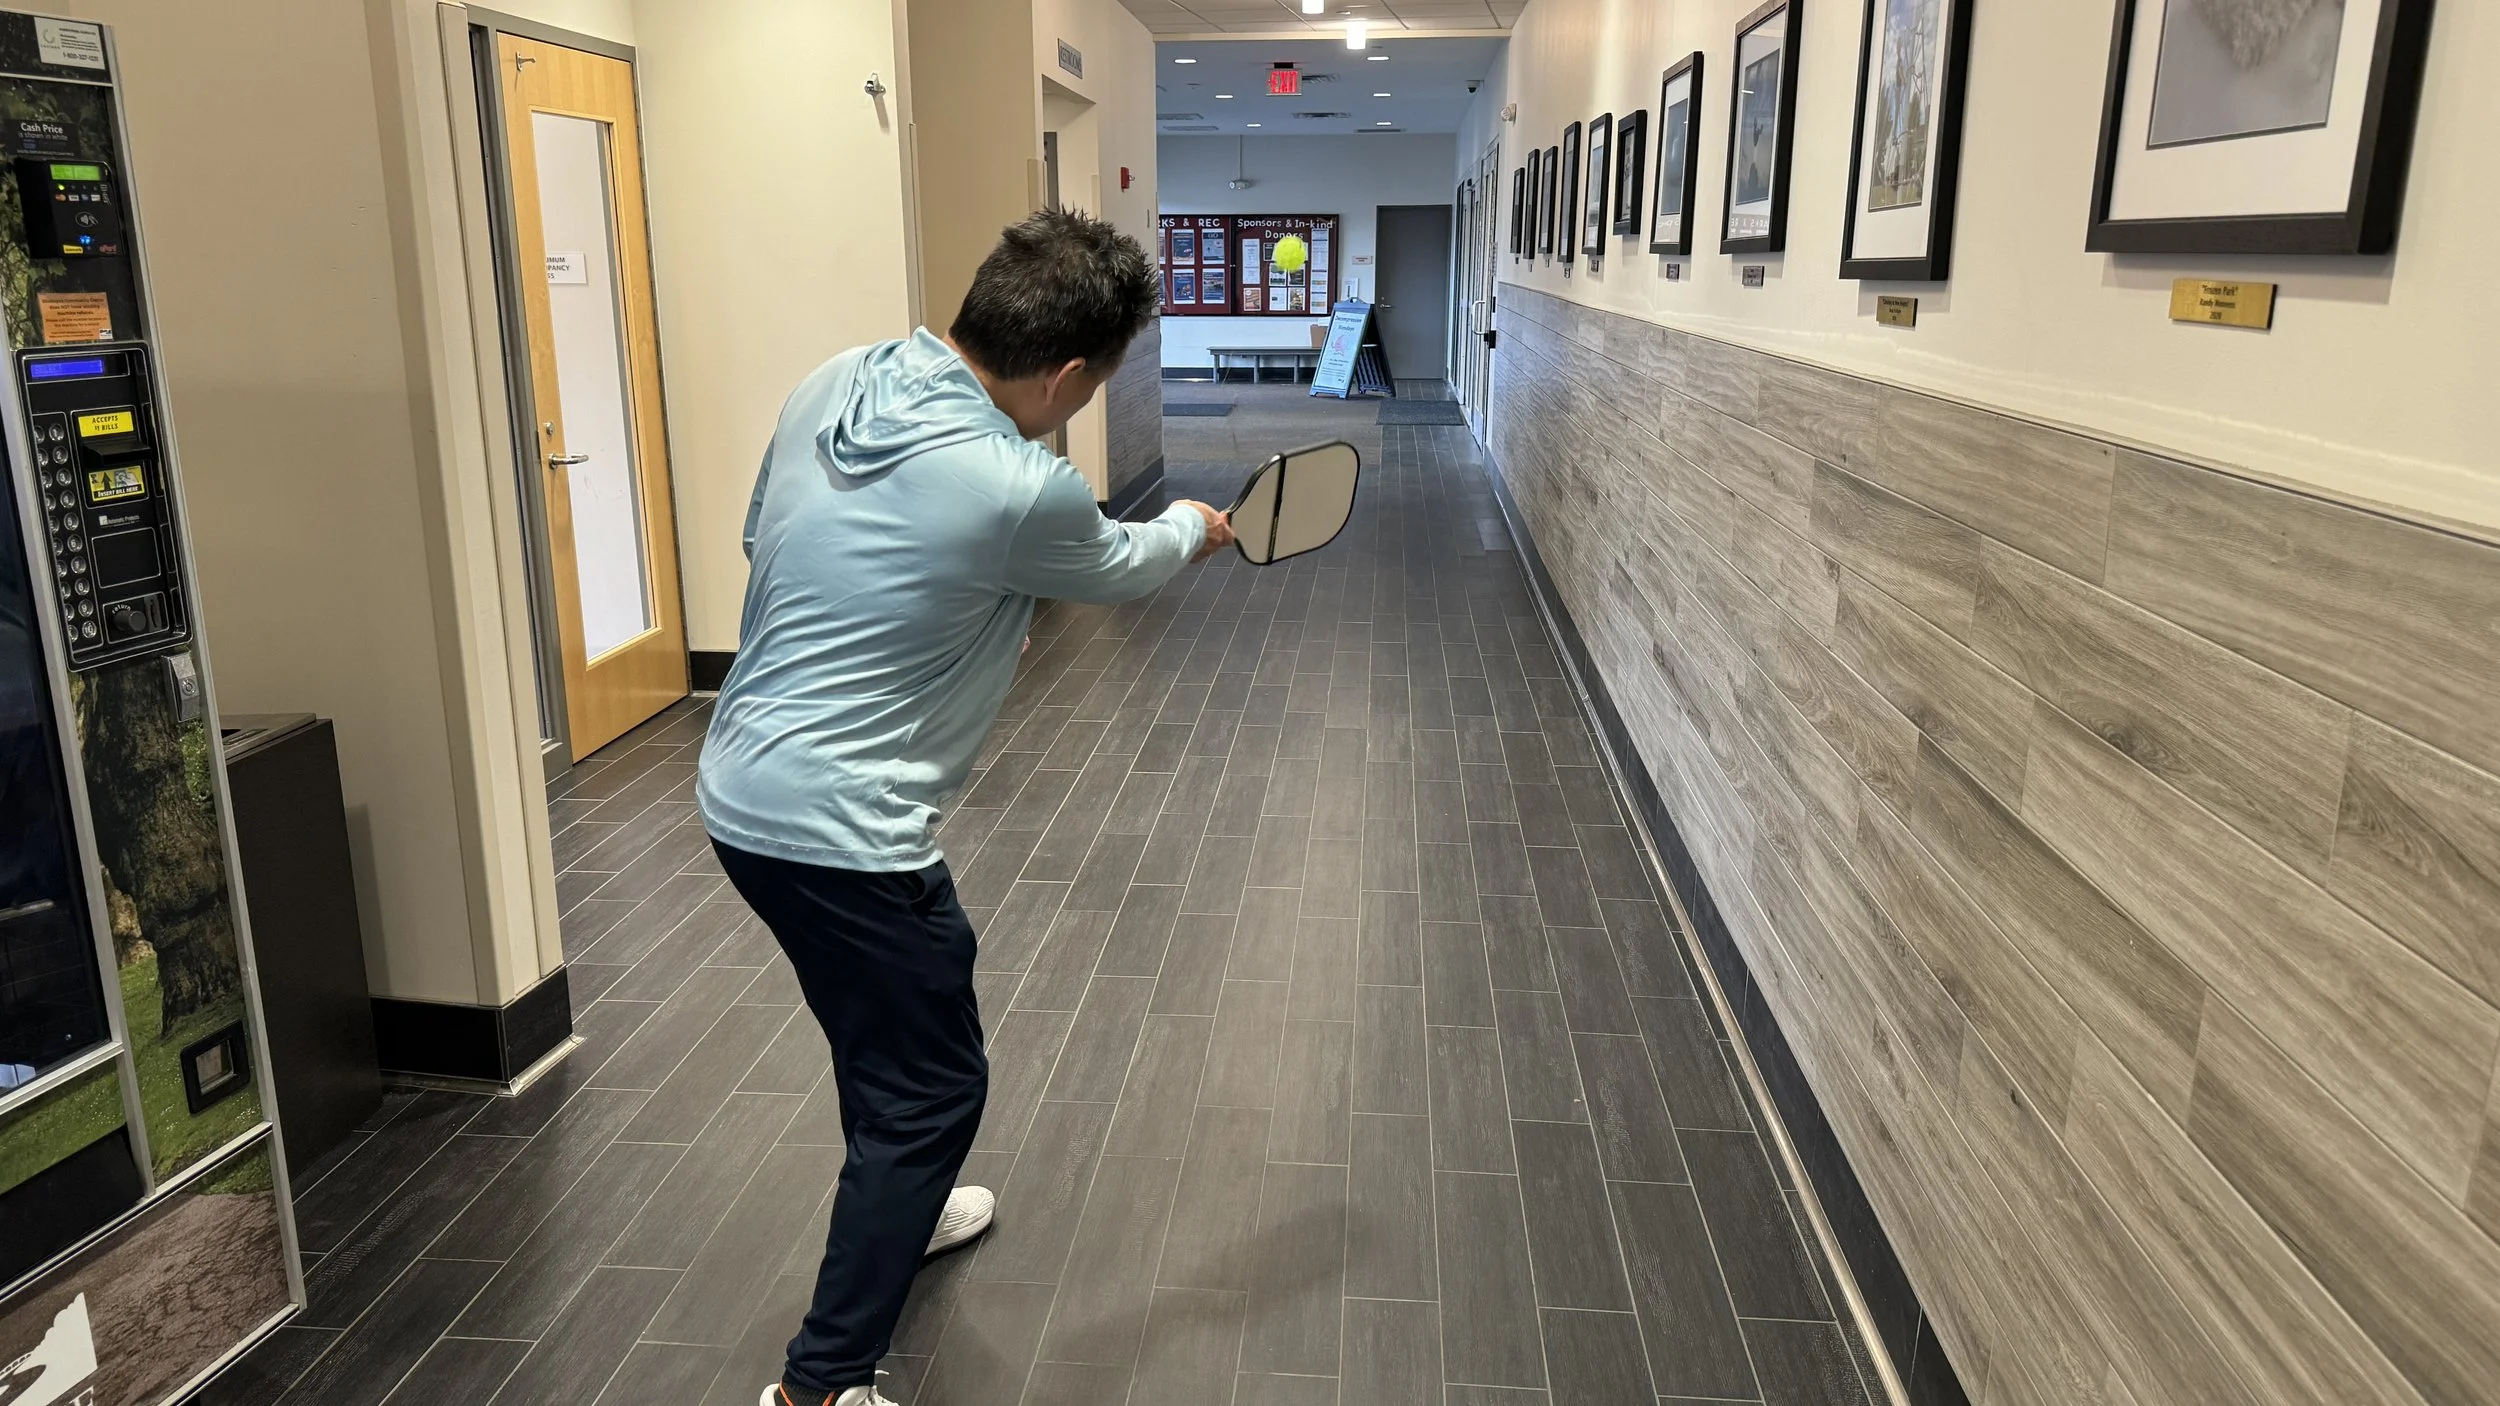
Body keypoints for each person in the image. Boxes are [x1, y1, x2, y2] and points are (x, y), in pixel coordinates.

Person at [698, 208, 1235, 1406]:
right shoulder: (1019, 485)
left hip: (736, 782)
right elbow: (1118, 564)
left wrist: (932, 602)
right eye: (1093, 387)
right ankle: (820, 1385)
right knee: (934, 1083)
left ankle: (910, 1201)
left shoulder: (838, 378)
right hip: (840, 829)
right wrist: (1190, 528)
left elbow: (761, 535)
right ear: (1067, 374)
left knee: (887, 1025)